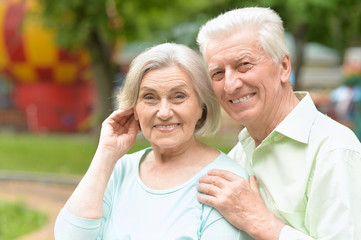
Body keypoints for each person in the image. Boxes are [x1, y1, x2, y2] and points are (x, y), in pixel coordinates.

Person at [54, 43, 252, 240]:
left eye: (178, 96)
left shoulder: (226, 181)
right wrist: (106, 154)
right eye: (150, 97)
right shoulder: (119, 169)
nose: (164, 112)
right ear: (134, 108)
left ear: (202, 106)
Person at [196, 7, 361, 240]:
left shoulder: (333, 150)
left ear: (283, 67)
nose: (230, 85)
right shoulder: (235, 157)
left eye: (244, 64)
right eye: (218, 73)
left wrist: (261, 222)